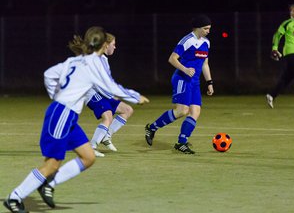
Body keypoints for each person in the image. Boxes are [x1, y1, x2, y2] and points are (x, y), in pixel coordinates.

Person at [3, 26, 142, 213]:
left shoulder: (75, 60)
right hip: (62, 114)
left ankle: (49, 185)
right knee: (51, 163)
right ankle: (15, 198)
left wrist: (56, 95)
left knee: (88, 157)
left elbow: (48, 75)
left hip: (67, 116)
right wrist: (135, 97)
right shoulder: (94, 65)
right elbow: (111, 87)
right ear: (103, 45)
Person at [144, 14, 214, 154]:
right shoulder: (187, 40)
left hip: (194, 82)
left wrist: (209, 82)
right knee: (182, 111)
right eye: (206, 28)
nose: (208, 31)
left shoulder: (206, 42)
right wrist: (185, 69)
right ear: (198, 28)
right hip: (182, 79)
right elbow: (172, 59)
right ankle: (151, 128)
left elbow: (205, 64)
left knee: (195, 112)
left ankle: (181, 143)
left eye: (209, 28)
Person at [84, 33, 149, 157]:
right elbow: (98, 84)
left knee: (127, 110)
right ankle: (92, 147)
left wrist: (112, 93)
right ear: (105, 45)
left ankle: (106, 136)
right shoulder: (95, 60)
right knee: (108, 117)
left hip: (103, 93)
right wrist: (112, 94)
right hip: (92, 93)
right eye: (113, 44)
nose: (115, 47)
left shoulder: (103, 59)